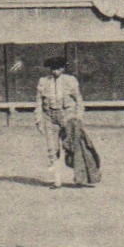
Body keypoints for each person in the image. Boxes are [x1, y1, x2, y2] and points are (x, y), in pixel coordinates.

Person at [35, 56, 88, 188]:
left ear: (63, 68)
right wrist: (38, 120)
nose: (55, 71)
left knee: (73, 147)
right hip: (49, 117)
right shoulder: (43, 81)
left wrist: (79, 118)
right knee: (52, 149)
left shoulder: (70, 81)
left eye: (58, 68)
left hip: (68, 116)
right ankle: (57, 181)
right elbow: (38, 103)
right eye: (53, 68)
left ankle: (79, 178)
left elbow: (79, 100)